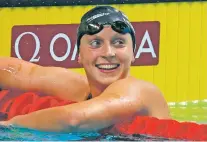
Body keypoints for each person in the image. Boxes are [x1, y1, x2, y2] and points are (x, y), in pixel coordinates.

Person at [0, 6, 170, 132]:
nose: (108, 53)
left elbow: (74, 120)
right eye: (96, 43)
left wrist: (8, 127)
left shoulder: (139, 91)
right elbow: (24, 72)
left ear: (133, 53)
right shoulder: (78, 88)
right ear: (79, 55)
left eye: (119, 42)